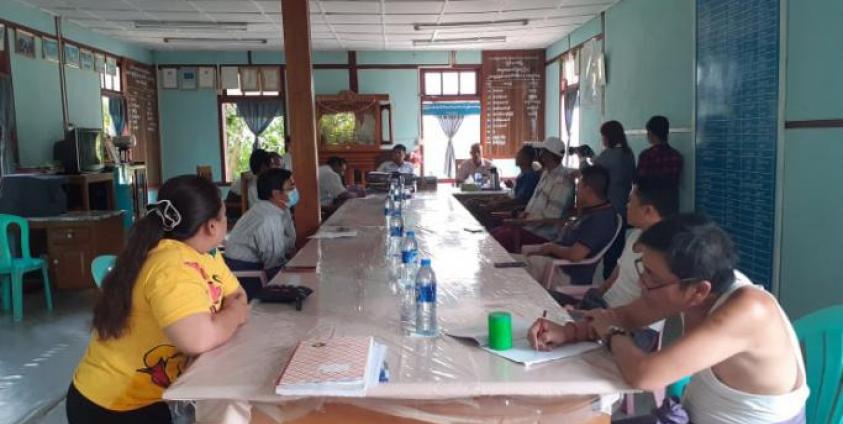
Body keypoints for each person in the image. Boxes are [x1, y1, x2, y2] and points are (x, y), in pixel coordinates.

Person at [529, 214, 809, 424]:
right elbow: (628, 315)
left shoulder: (749, 310)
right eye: (644, 269)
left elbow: (645, 375)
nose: (642, 282)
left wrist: (612, 333)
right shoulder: (700, 286)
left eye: (652, 276)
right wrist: (570, 332)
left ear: (699, 290)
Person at [67, 176, 249, 423]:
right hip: (114, 407)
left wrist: (223, 318)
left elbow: (237, 295)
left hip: (150, 397)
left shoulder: (208, 255)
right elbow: (199, 339)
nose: (227, 221)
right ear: (212, 226)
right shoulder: (171, 265)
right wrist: (234, 314)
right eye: (225, 215)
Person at [522, 165, 618, 287]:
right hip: (553, 261)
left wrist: (551, 248)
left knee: (509, 268)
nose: (577, 190)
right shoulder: (593, 210)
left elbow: (575, 255)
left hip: (563, 272)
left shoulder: (601, 219)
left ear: (587, 189)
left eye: (579, 186)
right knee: (511, 259)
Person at [490, 136, 574, 253]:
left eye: (542, 151)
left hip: (542, 235)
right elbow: (533, 206)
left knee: (496, 240)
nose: (540, 154)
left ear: (548, 155)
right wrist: (522, 217)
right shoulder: (546, 174)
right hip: (528, 227)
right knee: (492, 235)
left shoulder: (563, 181)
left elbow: (552, 216)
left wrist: (522, 221)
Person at [224, 168, 297, 300]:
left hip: (261, 266)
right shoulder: (267, 218)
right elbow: (273, 263)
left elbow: (290, 241)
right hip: (248, 275)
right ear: (276, 194)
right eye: (290, 188)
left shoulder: (279, 208)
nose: (295, 191)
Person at [595, 121, 636, 279]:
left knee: (608, 254)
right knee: (617, 252)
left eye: (603, 136)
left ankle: (607, 284)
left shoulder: (607, 155)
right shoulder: (628, 153)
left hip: (607, 210)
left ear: (608, 136)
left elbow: (591, 173)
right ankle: (613, 282)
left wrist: (584, 159)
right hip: (623, 208)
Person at [636, 116, 683, 188]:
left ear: (651, 133)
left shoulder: (646, 155)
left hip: (649, 194)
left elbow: (639, 181)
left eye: (648, 132)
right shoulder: (676, 155)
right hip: (670, 194)